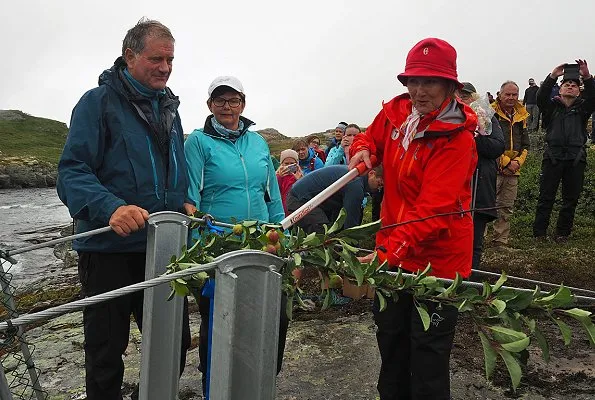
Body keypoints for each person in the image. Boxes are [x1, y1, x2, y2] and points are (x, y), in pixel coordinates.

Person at [56, 19, 193, 400]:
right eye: (156, 59)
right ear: (129, 56)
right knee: (105, 353)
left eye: (170, 59)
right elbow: (71, 172)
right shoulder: (95, 103)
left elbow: (170, 170)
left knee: (174, 344)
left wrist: (179, 199)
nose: (165, 68)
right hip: (108, 251)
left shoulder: (171, 107)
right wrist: (110, 208)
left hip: (162, 250)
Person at [349, 38, 478, 399]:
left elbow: (433, 211)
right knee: (390, 345)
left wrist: (386, 256)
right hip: (392, 251)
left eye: (430, 82)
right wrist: (362, 152)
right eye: (413, 81)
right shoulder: (395, 113)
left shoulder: (457, 140)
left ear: (450, 85)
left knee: (427, 357)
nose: (419, 91)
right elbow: (368, 139)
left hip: (437, 263)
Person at [183, 75, 288, 395]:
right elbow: (190, 201)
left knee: (272, 317)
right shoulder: (198, 142)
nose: (227, 107)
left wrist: (280, 235)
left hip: (260, 246)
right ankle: (213, 389)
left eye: (233, 100)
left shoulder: (257, 143)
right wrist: (200, 250)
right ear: (209, 105)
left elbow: (272, 196)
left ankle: (261, 383)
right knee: (219, 324)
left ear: (243, 103)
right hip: (216, 248)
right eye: (220, 100)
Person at [533, 60, 595, 241]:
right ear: (560, 89)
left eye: (574, 85)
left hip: (576, 158)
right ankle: (539, 233)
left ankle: (562, 233)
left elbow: (594, 97)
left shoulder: (583, 108)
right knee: (546, 197)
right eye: (566, 84)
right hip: (553, 157)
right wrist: (553, 76)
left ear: (578, 90)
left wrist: (587, 76)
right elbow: (540, 98)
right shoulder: (551, 107)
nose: (570, 86)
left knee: (570, 199)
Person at [457, 82, 505, 269]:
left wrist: (474, 138)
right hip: (452, 191)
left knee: (474, 243)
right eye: (457, 96)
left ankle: (470, 283)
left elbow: (497, 147)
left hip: (479, 188)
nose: (461, 100)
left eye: (466, 96)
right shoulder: (446, 116)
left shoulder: (485, 117)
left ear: (474, 98)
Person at [286, 164, 383, 233]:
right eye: (379, 184)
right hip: (300, 199)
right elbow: (350, 223)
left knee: (331, 231)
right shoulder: (355, 184)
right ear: (371, 174)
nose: (379, 189)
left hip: (308, 197)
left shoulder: (355, 177)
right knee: (322, 233)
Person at [489, 81, 530, 247]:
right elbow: (486, 141)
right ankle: (478, 239)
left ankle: (500, 241)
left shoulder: (522, 115)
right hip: (493, 166)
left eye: (514, 95)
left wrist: (517, 163)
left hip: (514, 170)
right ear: (500, 94)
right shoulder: (490, 113)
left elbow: (526, 145)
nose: (511, 98)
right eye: (508, 94)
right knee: (485, 205)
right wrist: (506, 162)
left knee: (507, 207)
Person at [276, 149, 303, 215]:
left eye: (292, 163)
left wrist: (299, 180)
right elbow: (274, 191)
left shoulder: (300, 176)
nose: (289, 166)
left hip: (295, 209)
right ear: (281, 164)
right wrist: (279, 177)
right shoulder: (277, 176)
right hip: (282, 210)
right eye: (286, 163)